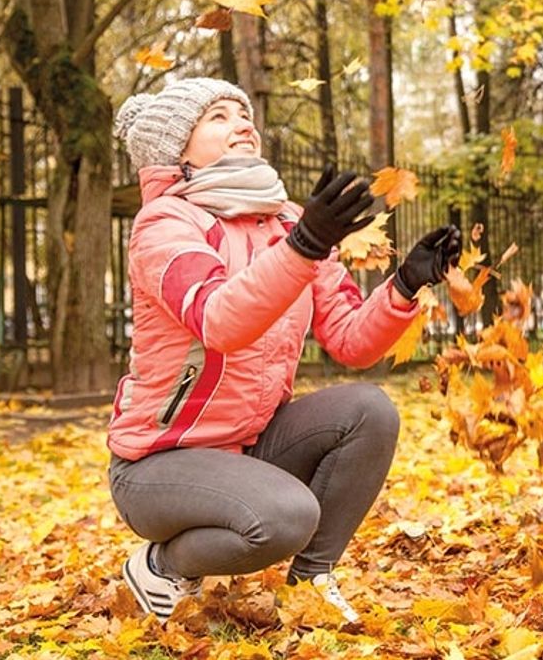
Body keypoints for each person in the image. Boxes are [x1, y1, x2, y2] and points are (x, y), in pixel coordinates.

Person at [107, 77, 461, 624]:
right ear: (176, 149)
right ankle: (162, 562)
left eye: (243, 114)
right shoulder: (165, 225)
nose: (242, 124)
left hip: (249, 447)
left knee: (370, 410)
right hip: (159, 463)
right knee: (285, 517)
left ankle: (310, 582)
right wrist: (302, 249)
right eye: (217, 117)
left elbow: (349, 339)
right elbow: (219, 319)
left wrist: (404, 286)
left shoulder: (288, 221)